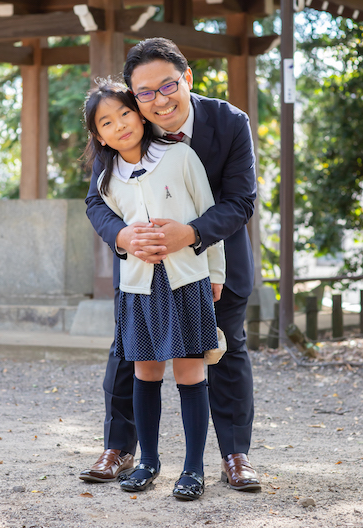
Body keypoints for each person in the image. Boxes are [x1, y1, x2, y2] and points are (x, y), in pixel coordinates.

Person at [80, 38, 261, 492]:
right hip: (142, 268)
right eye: (144, 92)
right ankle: (120, 448)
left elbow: (241, 200)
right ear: (133, 96)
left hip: (210, 262)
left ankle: (234, 454)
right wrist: (122, 237)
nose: (159, 100)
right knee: (130, 354)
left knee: (224, 350)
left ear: (188, 79)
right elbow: (97, 199)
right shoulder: (126, 125)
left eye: (168, 86)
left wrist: (193, 233)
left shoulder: (229, 122)